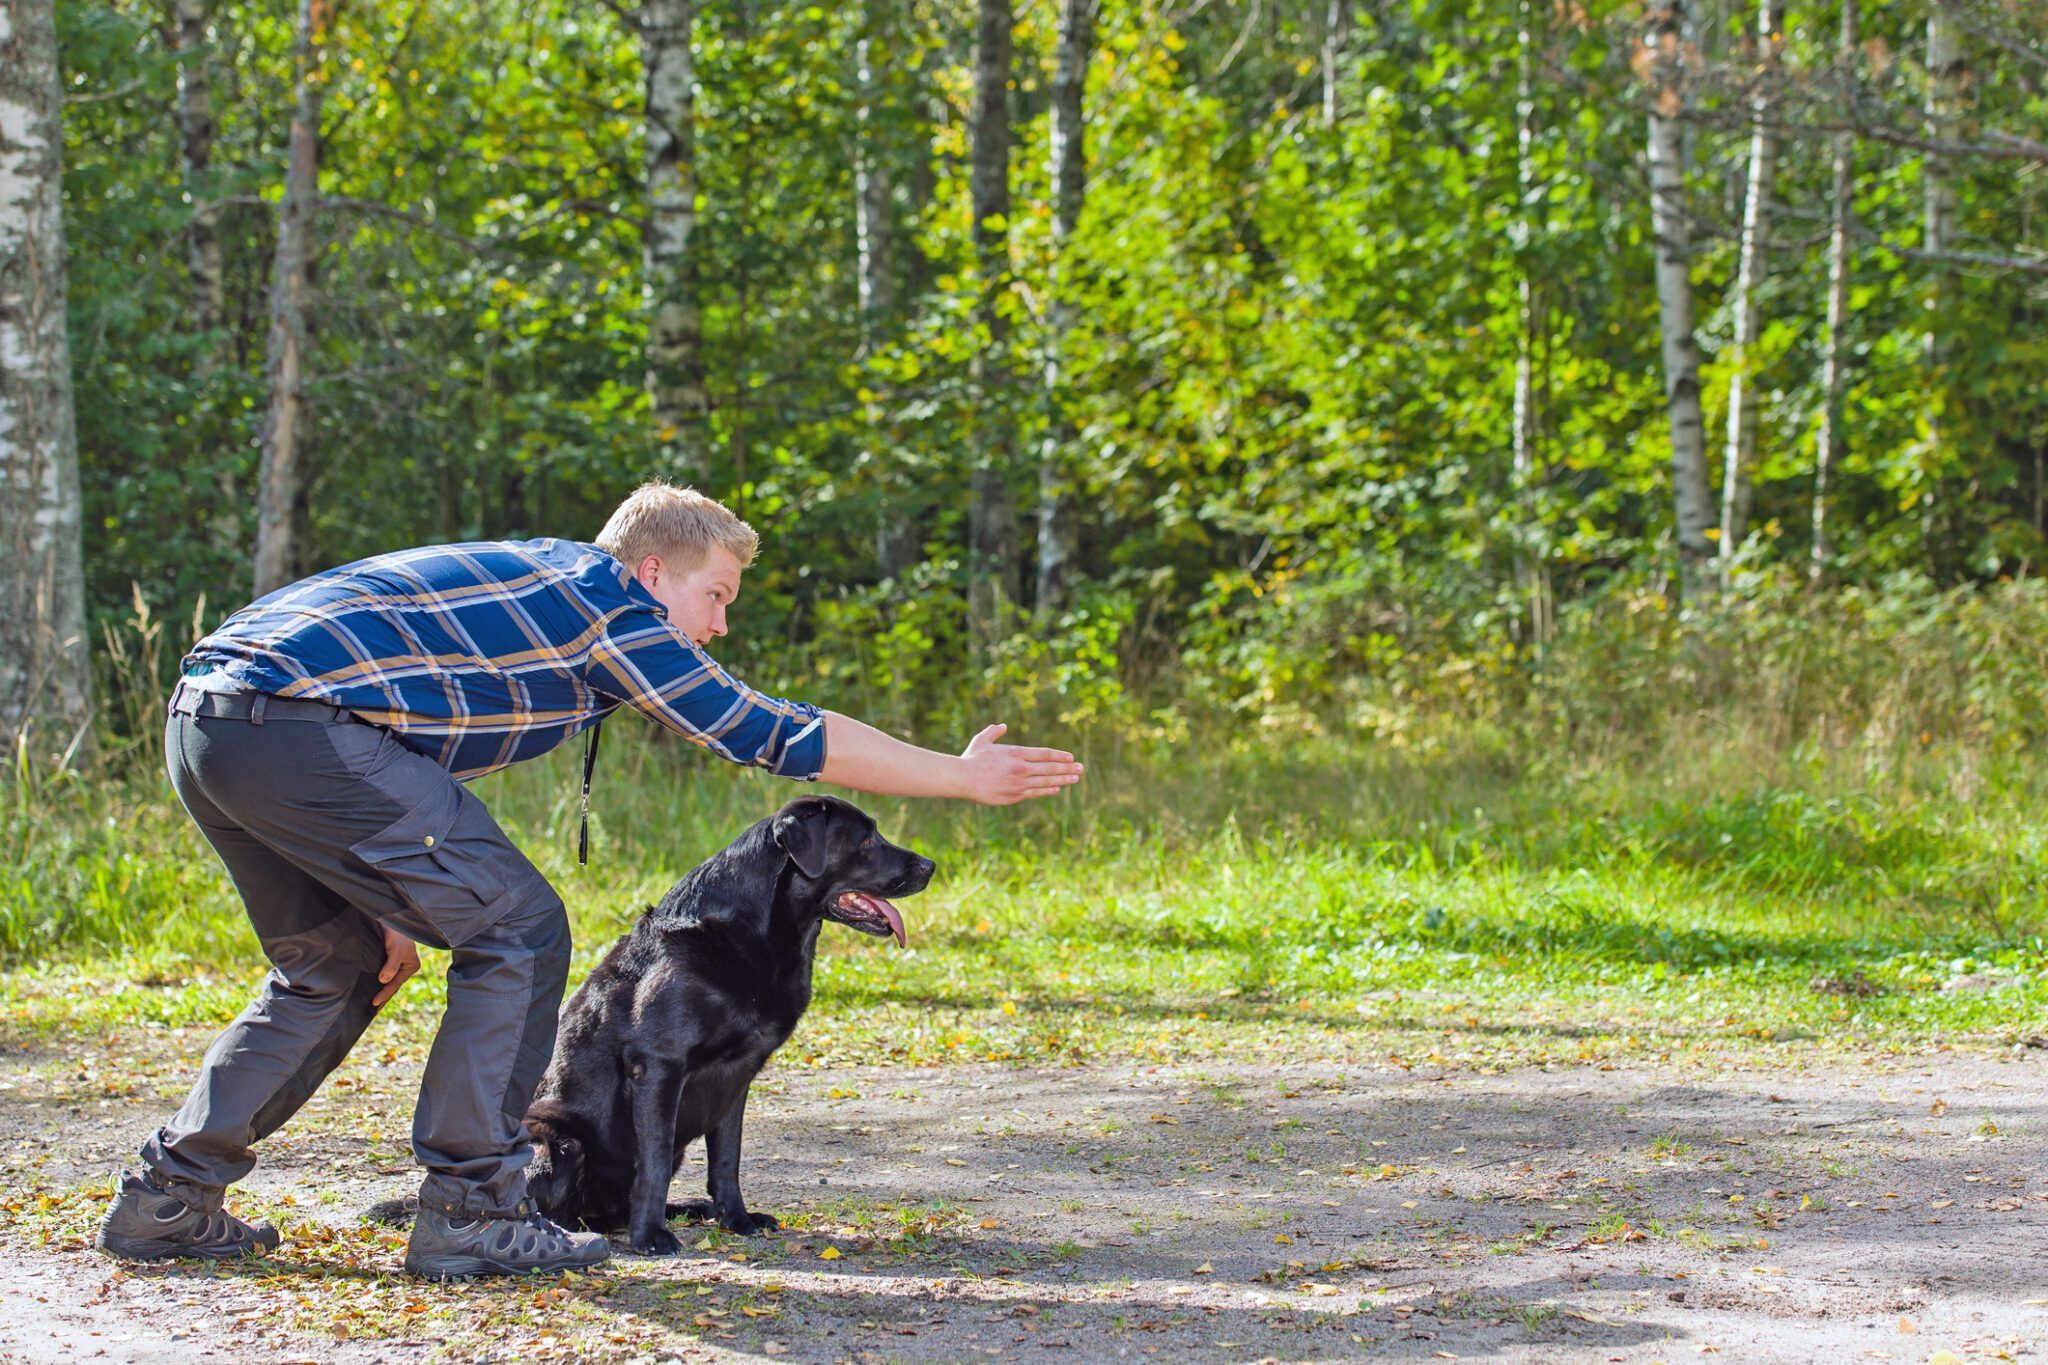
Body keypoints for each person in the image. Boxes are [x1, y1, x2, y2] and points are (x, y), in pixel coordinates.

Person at [96, 483, 1083, 1277]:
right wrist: (957, 776)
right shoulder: (608, 605)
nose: (720, 625)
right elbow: (771, 732)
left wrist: (375, 904)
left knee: (335, 966)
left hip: (217, 722)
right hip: (291, 725)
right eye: (717, 596)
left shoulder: (540, 597)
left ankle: (166, 1199)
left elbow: (384, 730)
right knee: (519, 931)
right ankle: (474, 1211)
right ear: (655, 572)